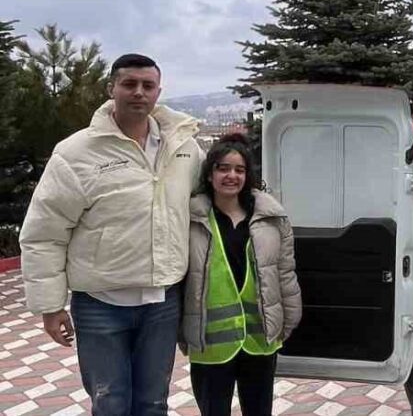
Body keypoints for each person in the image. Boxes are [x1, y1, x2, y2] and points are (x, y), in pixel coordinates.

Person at [19, 53, 203, 415]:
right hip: (100, 305)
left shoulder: (183, 148)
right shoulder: (76, 153)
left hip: (162, 303)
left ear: (158, 92)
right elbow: (44, 234)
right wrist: (49, 306)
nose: (139, 92)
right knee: (110, 403)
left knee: (153, 403)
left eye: (148, 85)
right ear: (111, 89)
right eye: (129, 84)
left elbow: (205, 203)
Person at [180, 133, 301, 416]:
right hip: (210, 344)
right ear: (209, 174)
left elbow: (285, 272)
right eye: (223, 168)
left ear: (248, 176)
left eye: (239, 169)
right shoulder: (190, 219)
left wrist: (288, 320)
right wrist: (181, 332)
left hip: (259, 339)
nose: (231, 176)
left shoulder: (271, 218)